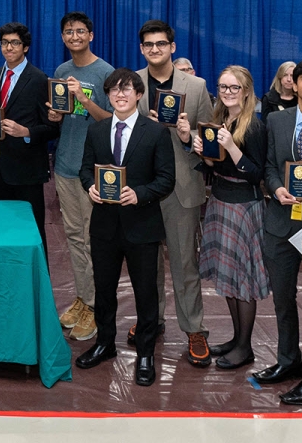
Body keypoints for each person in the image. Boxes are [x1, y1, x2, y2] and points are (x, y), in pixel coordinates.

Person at [76, 67, 175, 387]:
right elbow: (85, 171)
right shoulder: (97, 131)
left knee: (146, 293)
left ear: (139, 94)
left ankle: (145, 353)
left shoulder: (156, 132)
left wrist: (140, 193)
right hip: (104, 225)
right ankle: (104, 344)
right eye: (114, 90)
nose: (120, 94)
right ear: (108, 95)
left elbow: (166, 179)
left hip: (142, 226)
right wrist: (90, 186)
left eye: (127, 89)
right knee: (104, 289)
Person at [132, 20, 215, 367]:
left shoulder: (196, 87)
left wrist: (188, 133)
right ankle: (151, 319)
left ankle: (194, 328)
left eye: (161, 44)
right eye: (149, 44)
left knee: (184, 263)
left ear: (173, 46)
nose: (155, 50)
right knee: (145, 265)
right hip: (143, 188)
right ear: (141, 49)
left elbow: (209, 140)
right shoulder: (132, 83)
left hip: (181, 188)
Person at [192, 66, 268, 370]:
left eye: (234, 88)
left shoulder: (254, 127)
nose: (227, 93)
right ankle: (237, 340)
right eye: (222, 87)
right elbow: (216, 168)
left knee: (242, 280)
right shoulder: (219, 119)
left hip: (243, 208)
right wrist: (203, 153)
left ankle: (246, 347)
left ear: (247, 91)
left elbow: (255, 174)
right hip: (220, 201)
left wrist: (230, 147)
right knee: (227, 275)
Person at [258, 59, 302, 405]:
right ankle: (289, 362)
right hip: (281, 223)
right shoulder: (276, 119)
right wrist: (275, 188)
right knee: (282, 299)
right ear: (293, 84)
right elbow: (269, 164)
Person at [47, 12, 114, 341]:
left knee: (93, 241)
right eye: (68, 32)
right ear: (63, 37)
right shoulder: (61, 71)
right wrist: (55, 113)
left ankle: (97, 305)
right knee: (74, 238)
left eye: (80, 32)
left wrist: (84, 99)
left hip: (93, 172)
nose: (74, 36)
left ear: (91, 35)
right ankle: (83, 298)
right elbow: (62, 118)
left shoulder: (105, 73)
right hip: (64, 165)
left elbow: (112, 124)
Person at [0, 22, 59, 256]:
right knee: (6, 230)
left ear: (26, 47)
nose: (8, 47)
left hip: (28, 169)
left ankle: (37, 285)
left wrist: (27, 132)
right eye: (4, 43)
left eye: (14, 43)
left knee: (32, 232)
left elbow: (52, 128)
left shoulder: (39, 79)